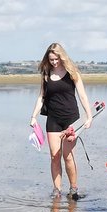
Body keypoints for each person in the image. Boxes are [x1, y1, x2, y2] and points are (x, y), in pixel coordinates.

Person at [30, 42, 93, 200]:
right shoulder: (46, 74)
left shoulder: (72, 72)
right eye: (51, 59)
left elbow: (83, 95)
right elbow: (41, 97)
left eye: (56, 59)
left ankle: (73, 187)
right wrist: (33, 116)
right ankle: (57, 189)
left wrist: (89, 115)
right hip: (53, 119)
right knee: (54, 156)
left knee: (68, 156)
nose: (54, 62)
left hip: (71, 119)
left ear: (62, 56)